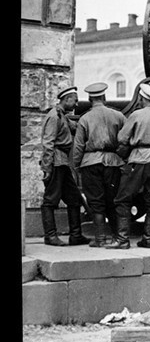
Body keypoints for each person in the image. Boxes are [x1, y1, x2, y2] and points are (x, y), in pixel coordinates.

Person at [105, 84, 150, 249]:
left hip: (139, 159)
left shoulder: (137, 115)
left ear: (142, 98)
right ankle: (147, 239)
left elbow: (122, 137)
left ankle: (122, 240)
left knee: (122, 198)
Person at [71, 82, 127, 247]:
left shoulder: (85, 118)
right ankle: (117, 237)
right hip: (113, 163)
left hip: (90, 163)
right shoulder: (118, 116)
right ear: (104, 97)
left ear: (89, 99)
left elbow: (79, 146)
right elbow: (126, 140)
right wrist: (122, 158)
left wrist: (76, 166)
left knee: (96, 202)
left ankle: (100, 239)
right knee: (112, 200)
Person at [39, 86, 90, 246]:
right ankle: (50, 236)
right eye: (74, 101)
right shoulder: (54, 116)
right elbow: (48, 143)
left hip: (63, 163)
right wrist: (47, 168)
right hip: (55, 162)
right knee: (50, 200)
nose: (76, 104)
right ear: (66, 99)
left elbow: (75, 128)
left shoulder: (63, 116)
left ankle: (76, 236)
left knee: (74, 198)